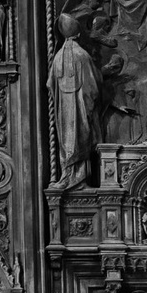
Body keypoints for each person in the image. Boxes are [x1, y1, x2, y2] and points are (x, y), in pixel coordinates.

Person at [49, 13, 102, 184]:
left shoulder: (57, 58)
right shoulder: (82, 55)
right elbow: (93, 87)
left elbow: (50, 85)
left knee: (67, 139)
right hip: (80, 108)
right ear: (78, 34)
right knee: (80, 136)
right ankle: (78, 179)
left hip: (64, 111)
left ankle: (67, 175)